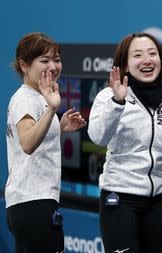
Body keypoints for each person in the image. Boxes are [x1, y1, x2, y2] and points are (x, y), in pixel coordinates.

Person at [88, 33, 162, 253]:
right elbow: (98, 136)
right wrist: (117, 102)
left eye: (152, 53)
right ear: (125, 65)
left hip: (158, 203)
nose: (147, 60)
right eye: (138, 55)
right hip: (120, 200)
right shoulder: (108, 96)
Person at [5, 32, 86, 252]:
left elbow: (34, 140)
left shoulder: (38, 97)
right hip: (32, 203)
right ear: (24, 65)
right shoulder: (25, 99)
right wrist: (52, 110)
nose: (53, 66)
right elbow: (28, 144)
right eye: (44, 60)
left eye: (56, 59)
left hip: (36, 202)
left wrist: (59, 127)